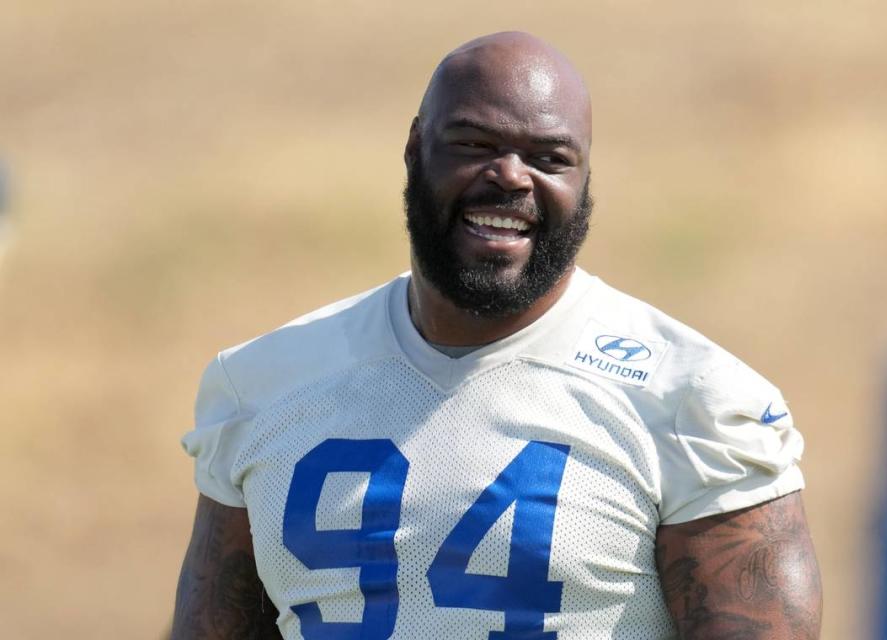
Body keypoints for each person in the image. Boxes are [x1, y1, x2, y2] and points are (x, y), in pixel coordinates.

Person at [173, 31, 822, 640]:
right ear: (414, 148)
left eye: (549, 158)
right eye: (475, 145)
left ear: (585, 182)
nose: (511, 176)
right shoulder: (264, 386)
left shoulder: (693, 403)